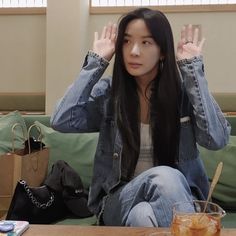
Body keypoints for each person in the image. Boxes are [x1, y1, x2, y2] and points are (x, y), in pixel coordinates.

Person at [51, 8, 231, 227]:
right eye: (126, 42)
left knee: (142, 215)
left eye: (146, 43)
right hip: (118, 200)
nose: (133, 51)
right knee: (164, 177)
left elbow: (216, 139)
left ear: (163, 51)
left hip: (176, 201)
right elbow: (61, 120)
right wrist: (96, 62)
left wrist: (193, 71)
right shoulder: (109, 95)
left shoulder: (183, 95)